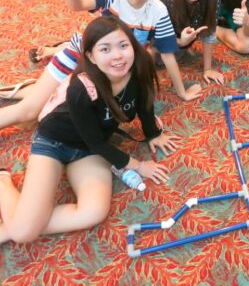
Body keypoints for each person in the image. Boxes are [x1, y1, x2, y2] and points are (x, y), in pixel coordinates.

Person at [0, 16, 178, 244]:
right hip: (53, 142)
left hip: (89, 150)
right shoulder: (81, 88)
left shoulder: (140, 66)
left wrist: (153, 133)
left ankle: (17, 226)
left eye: (123, 45)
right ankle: (3, 184)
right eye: (105, 49)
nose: (118, 56)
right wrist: (139, 166)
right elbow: (97, 142)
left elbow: (145, 104)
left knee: (94, 212)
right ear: (91, 56)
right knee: (23, 234)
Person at [0, 0, 202, 135]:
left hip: (113, 71)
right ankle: (30, 92)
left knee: (56, 112)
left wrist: (182, 92)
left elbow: (167, 55)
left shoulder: (158, 10)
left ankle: (26, 90)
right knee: (29, 113)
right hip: (81, 56)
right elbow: (79, 4)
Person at [159, 0, 224, 84]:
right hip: (159, 46)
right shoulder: (165, 3)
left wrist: (207, 69)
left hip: (183, 45)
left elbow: (209, 33)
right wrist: (179, 42)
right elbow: (156, 40)